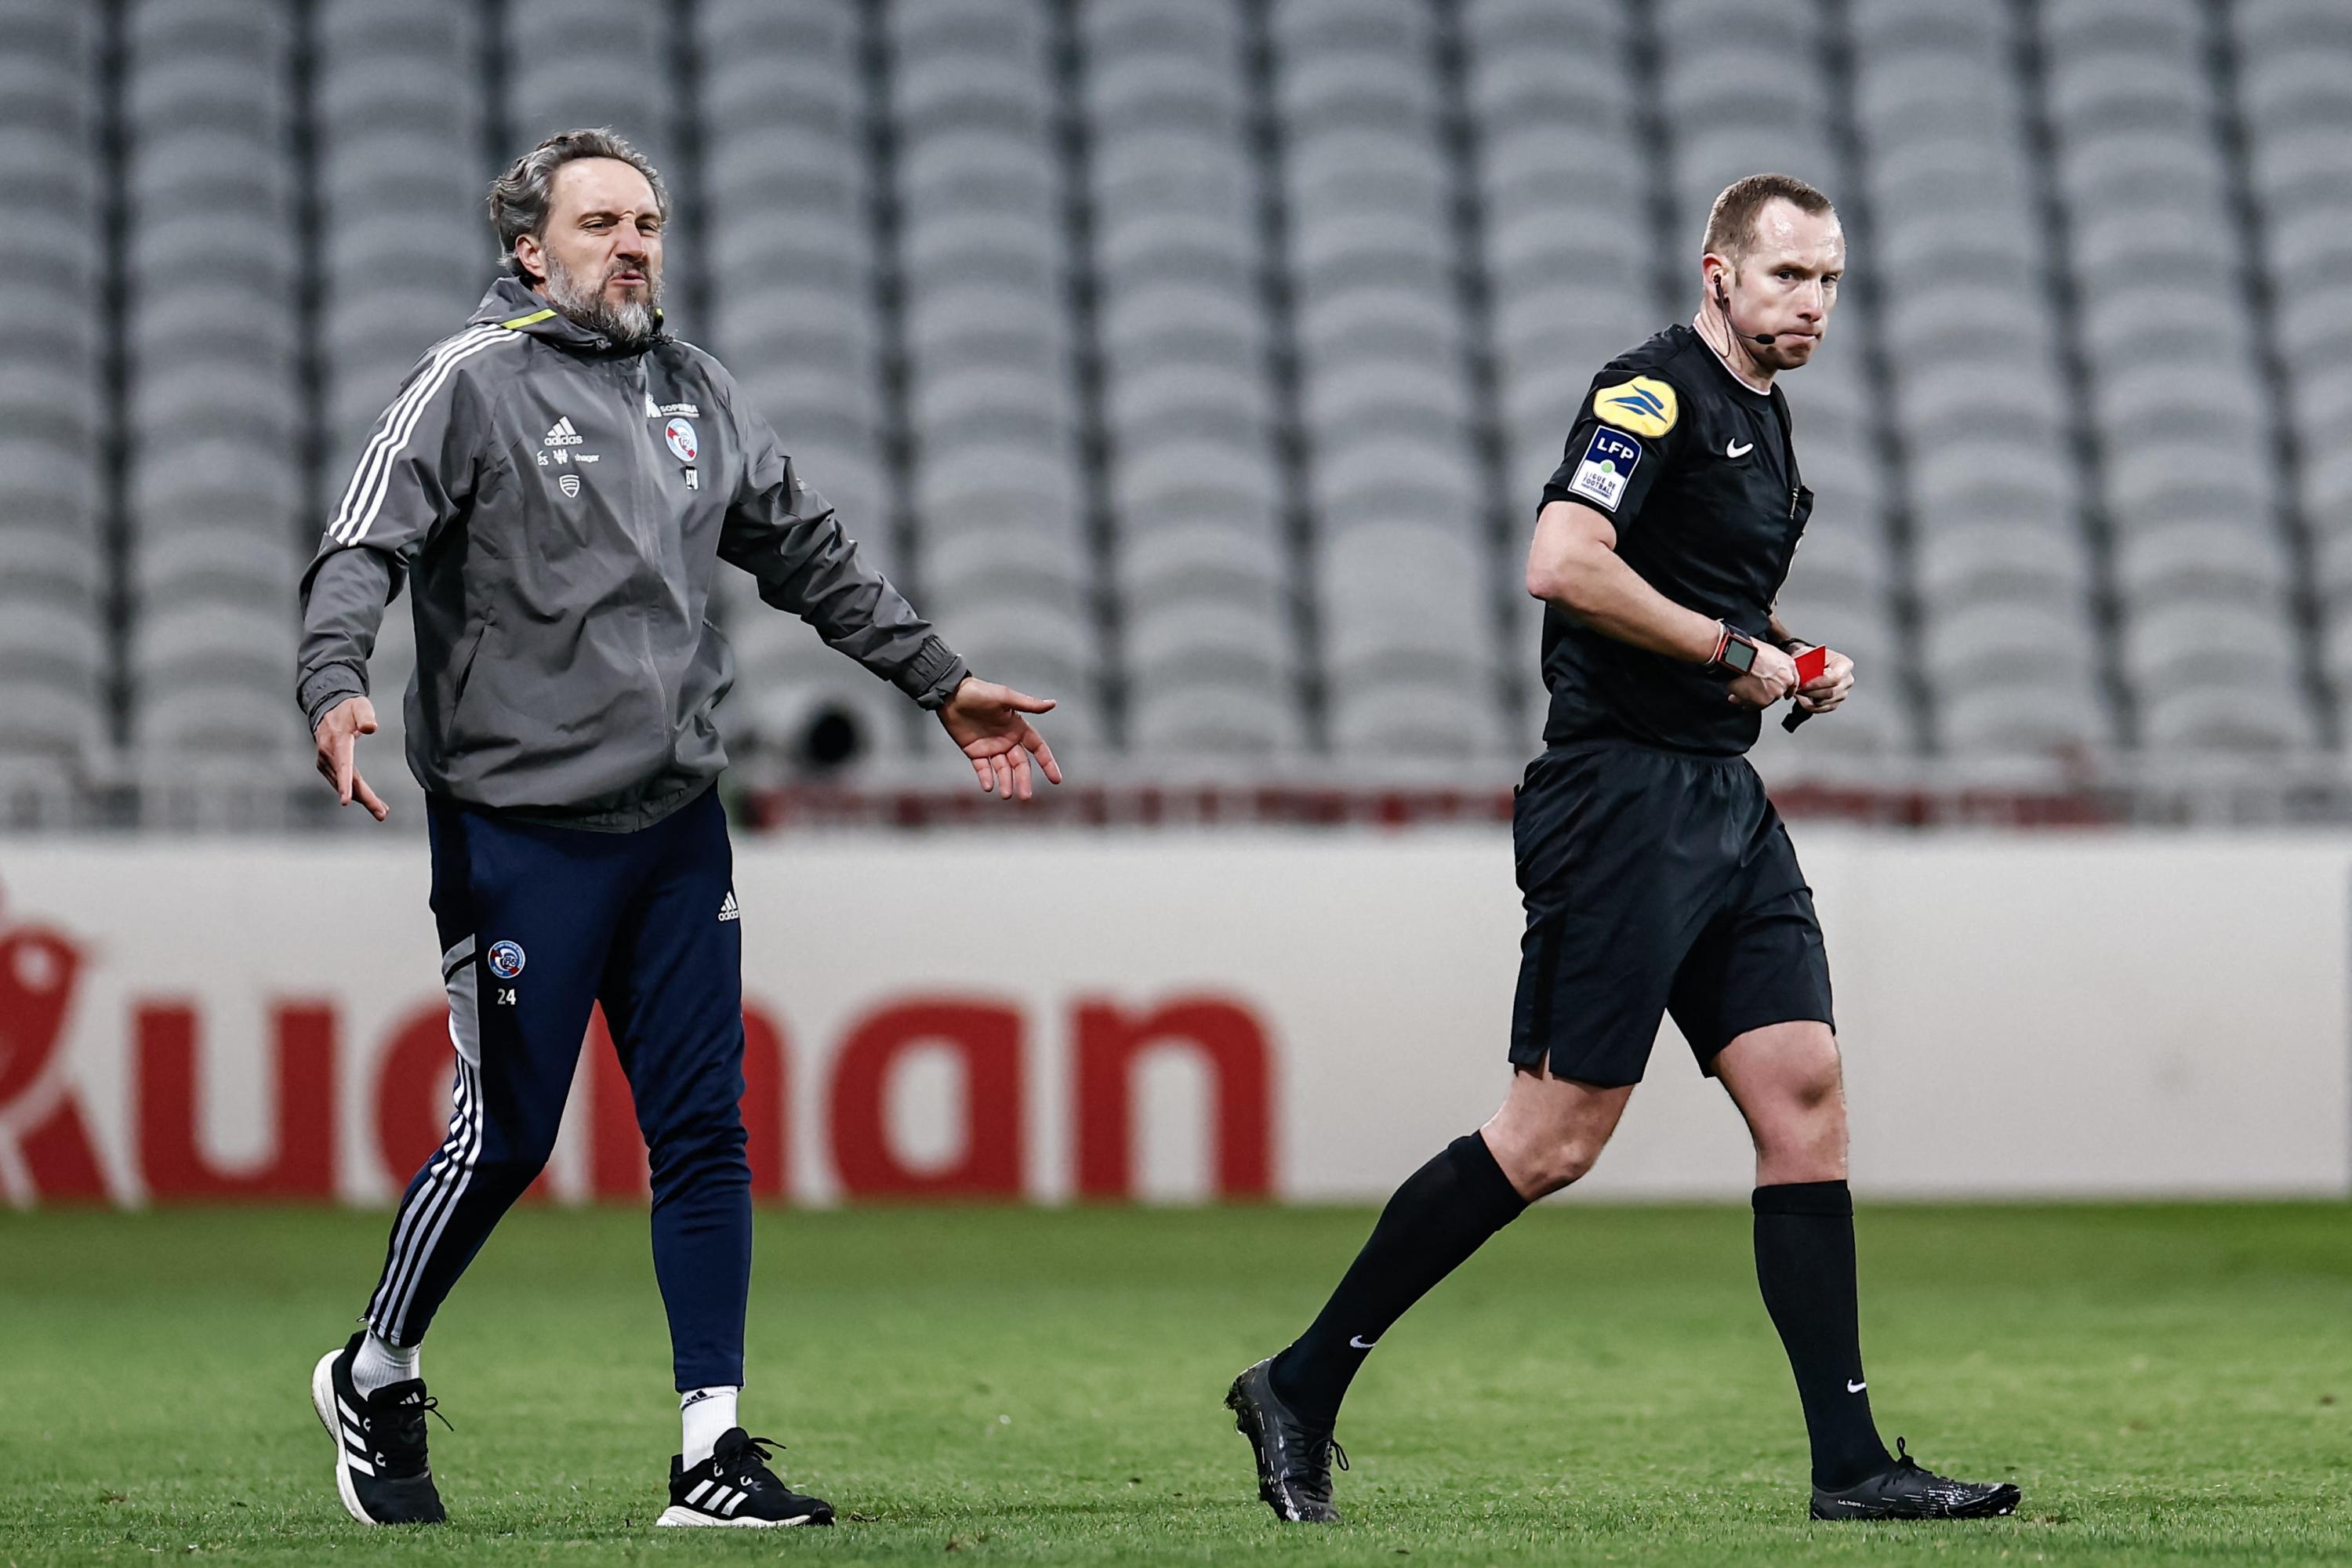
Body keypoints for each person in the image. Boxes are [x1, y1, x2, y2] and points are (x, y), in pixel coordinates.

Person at [295, 128, 1061, 1530]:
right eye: (600, 224)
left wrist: (941, 682)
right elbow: (365, 544)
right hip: (518, 830)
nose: (633, 245)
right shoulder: (465, 387)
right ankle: (376, 1362)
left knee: (704, 1129)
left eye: (647, 221)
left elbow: (808, 549)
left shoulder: (693, 389)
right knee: (507, 1140)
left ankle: (712, 1447)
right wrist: (333, 680)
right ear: (531, 248)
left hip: (674, 822)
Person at [1225, 173, 2019, 1524]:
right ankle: (1299, 1382)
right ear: (1717, 274)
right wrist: (1735, 651)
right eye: (1786, 277)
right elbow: (1562, 560)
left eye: (1829, 279)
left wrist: (1780, 669)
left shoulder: (1765, 422)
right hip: (1621, 804)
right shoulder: (1646, 396)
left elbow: (1703, 609)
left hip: (1721, 795)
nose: (1814, 302)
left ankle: (1851, 1468)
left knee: (1805, 1089)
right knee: (1551, 1139)